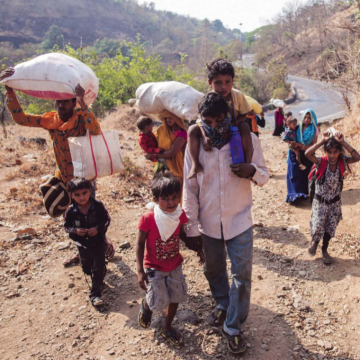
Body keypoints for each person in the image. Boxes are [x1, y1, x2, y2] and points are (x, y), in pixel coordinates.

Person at [0, 67, 114, 267]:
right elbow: (20, 118)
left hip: (83, 178)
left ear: (72, 102)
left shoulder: (81, 117)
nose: (61, 105)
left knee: (91, 216)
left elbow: (96, 130)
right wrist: (9, 90)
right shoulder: (49, 120)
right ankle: (83, 252)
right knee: (73, 219)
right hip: (63, 178)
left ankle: (101, 247)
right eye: (58, 101)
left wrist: (83, 104)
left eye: (65, 101)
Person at [183, 92, 269, 355]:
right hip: (208, 225)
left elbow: (265, 176)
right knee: (213, 271)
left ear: (227, 117)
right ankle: (222, 304)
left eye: (218, 119)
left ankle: (233, 326)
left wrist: (251, 171)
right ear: (201, 120)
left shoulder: (248, 140)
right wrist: (191, 225)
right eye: (207, 120)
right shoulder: (195, 145)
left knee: (241, 277)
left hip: (239, 220)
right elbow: (190, 186)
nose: (213, 125)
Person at [136, 171, 204, 347]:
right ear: (156, 198)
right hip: (154, 267)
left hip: (174, 265)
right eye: (166, 198)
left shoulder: (179, 215)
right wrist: (140, 271)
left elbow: (182, 236)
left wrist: (198, 249)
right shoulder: (148, 219)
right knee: (158, 302)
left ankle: (166, 327)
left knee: (175, 296)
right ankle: (146, 305)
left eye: (175, 197)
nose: (172, 202)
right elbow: (140, 244)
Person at [186, 58, 253, 179]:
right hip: (213, 130)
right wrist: (204, 136)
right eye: (218, 83)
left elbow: (245, 113)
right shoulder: (209, 99)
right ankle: (195, 164)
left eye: (228, 82)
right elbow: (201, 121)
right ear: (209, 82)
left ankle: (247, 163)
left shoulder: (237, 95)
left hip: (233, 128)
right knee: (192, 130)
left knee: (245, 126)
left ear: (233, 81)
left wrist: (235, 122)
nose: (224, 87)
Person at [305, 130, 360, 264]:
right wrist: (322, 141)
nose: (332, 155)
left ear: (339, 152)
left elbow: (357, 157)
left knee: (330, 227)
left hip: (334, 203)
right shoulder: (320, 162)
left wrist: (343, 142)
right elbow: (308, 154)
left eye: (335, 152)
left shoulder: (342, 161)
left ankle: (325, 250)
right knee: (318, 225)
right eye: (329, 152)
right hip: (320, 201)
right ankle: (314, 242)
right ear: (325, 151)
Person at [64, 178, 111, 306]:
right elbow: (66, 227)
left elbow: (107, 219)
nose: (81, 197)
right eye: (77, 195)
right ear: (71, 195)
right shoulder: (71, 211)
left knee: (97, 266)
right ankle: (98, 276)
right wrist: (75, 231)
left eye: (84, 193)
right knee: (87, 267)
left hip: (98, 242)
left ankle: (95, 295)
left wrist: (98, 229)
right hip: (82, 245)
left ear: (90, 191)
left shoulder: (98, 206)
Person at [285, 109, 319, 203]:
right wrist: (294, 148)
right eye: (305, 117)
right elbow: (290, 138)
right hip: (296, 153)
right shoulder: (297, 127)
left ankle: (303, 195)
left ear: (312, 118)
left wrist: (301, 146)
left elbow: (314, 146)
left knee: (305, 176)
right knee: (294, 175)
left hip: (308, 155)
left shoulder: (314, 130)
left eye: (309, 118)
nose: (307, 120)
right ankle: (293, 196)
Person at [145, 110, 187, 182]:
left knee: (175, 188)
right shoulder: (161, 130)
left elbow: (171, 153)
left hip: (175, 165)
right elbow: (153, 144)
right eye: (166, 117)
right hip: (160, 164)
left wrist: (153, 155)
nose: (168, 119)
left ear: (176, 118)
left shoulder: (182, 133)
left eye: (170, 117)